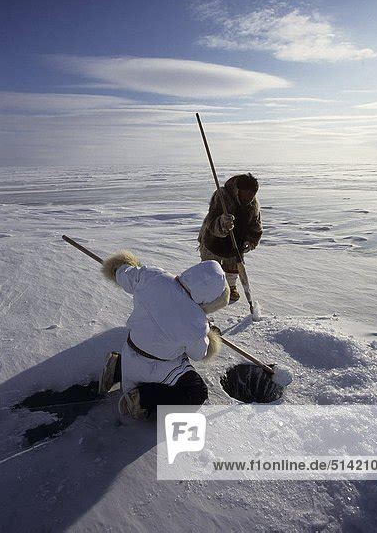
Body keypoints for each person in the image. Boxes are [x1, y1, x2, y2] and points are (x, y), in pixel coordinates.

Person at [98, 251, 230, 419]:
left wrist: (120, 268)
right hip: (157, 367)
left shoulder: (152, 275)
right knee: (197, 392)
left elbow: (124, 274)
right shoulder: (196, 323)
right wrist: (208, 334)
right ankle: (143, 399)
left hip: (130, 352)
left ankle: (117, 367)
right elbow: (198, 354)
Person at [198, 173, 262, 302]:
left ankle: (231, 287)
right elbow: (211, 220)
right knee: (211, 266)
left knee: (233, 265)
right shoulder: (221, 196)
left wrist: (252, 239)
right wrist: (222, 223)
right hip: (213, 239)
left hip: (237, 238)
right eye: (245, 196)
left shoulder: (253, 204)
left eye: (251, 197)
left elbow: (255, 222)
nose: (248, 200)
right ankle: (210, 288)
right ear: (238, 191)